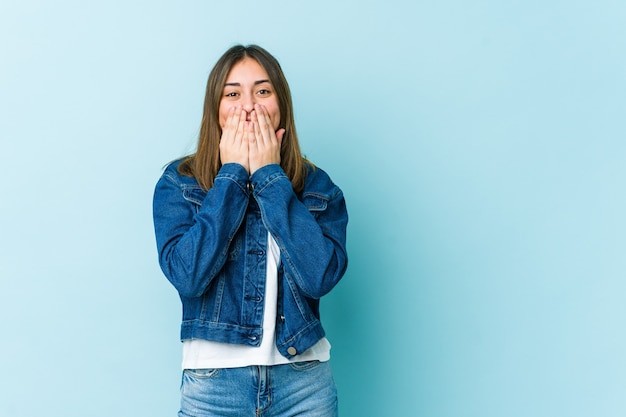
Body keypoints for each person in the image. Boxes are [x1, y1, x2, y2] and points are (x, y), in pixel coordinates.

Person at [152, 44, 349, 417]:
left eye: (262, 91)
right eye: (232, 93)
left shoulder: (318, 187)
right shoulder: (179, 184)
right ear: (215, 110)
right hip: (213, 388)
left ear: (281, 105)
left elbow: (319, 277)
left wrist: (269, 176)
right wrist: (232, 177)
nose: (248, 106)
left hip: (304, 385)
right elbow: (187, 276)